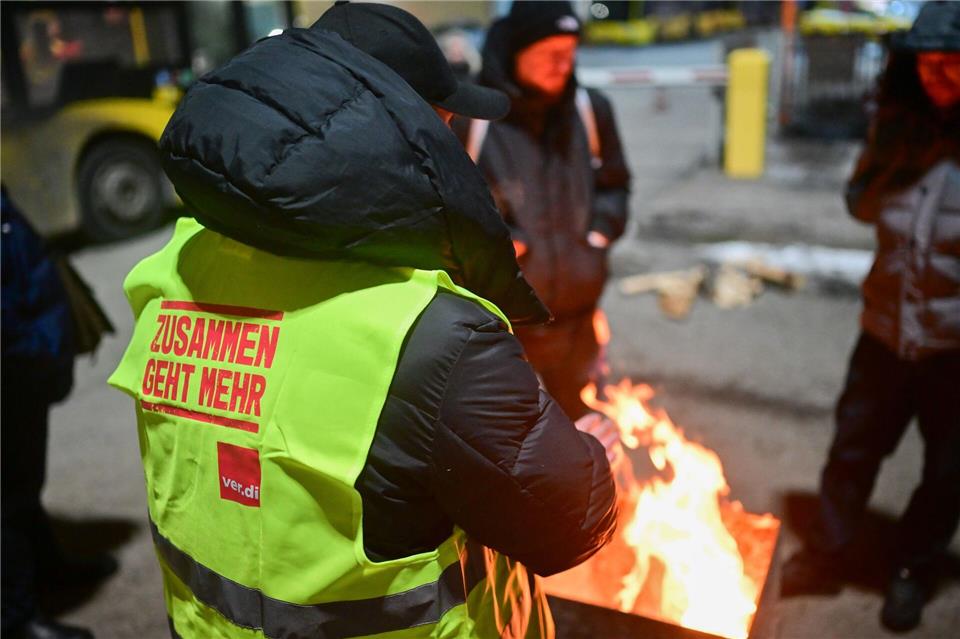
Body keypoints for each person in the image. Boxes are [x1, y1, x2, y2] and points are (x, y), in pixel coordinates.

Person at [108, 3, 618, 638]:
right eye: (442, 121)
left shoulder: (175, 266)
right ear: (400, 129)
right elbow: (569, 521)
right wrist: (597, 449)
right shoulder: (428, 332)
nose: (452, 140)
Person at [781, 2, 960, 632]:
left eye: (953, 64)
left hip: (953, 348)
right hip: (884, 331)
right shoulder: (898, 124)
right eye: (929, 65)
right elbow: (860, 205)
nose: (940, 77)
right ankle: (826, 556)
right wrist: (891, 155)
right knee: (852, 451)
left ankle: (912, 570)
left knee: (947, 473)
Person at [455, 1, 632, 419]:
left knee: (583, 428)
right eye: (549, 53)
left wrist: (596, 235)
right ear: (517, 50)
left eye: (569, 52)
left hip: (578, 320)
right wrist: (499, 246)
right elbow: (448, 209)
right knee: (518, 437)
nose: (562, 64)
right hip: (504, 327)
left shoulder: (590, 110)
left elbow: (615, 185)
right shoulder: (473, 119)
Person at [1, 188, 116, 639]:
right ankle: (15, 617)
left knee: (23, 477)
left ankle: (44, 565)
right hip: (12, 352)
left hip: (25, 350)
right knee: (4, 495)